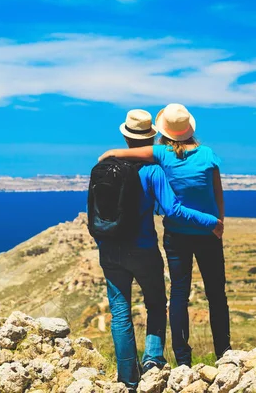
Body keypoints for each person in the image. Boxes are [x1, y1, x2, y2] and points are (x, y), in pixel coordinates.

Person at [95, 109, 223, 391]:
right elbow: (173, 210)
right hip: (142, 248)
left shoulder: (106, 168)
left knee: (119, 312)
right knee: (155, 304)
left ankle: (128, 379)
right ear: (152, 136)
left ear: (124, 136)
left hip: (109, 249)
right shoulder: (153, 170)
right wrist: (212, 221)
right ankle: (152, 361)